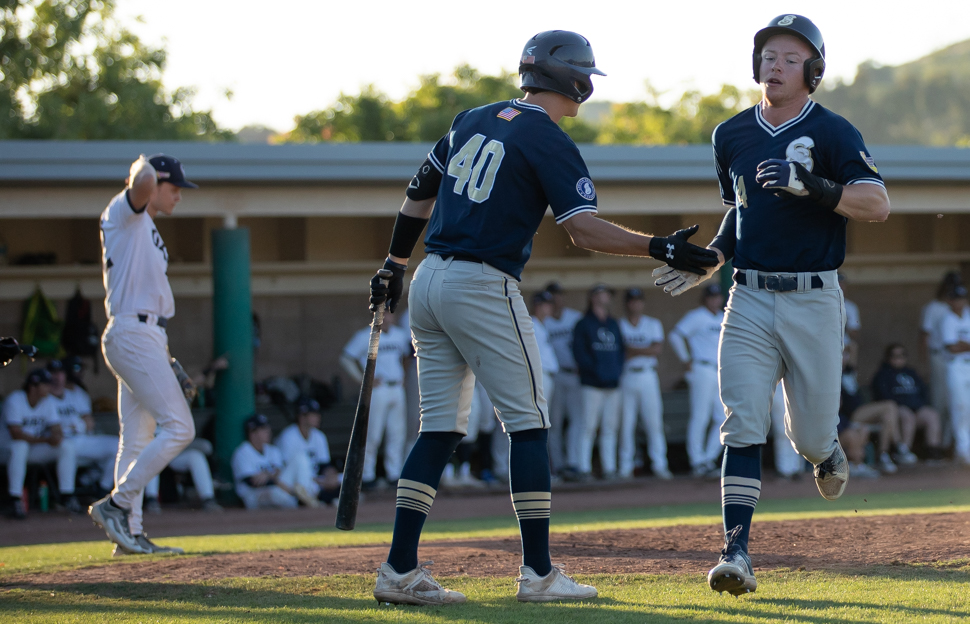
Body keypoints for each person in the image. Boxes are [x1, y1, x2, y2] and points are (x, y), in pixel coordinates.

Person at [366, 29, 719, 606]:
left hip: (429, 278)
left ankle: (399, 569)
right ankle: (538, 574)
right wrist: (660, 246)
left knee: (439, 428)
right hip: (483, 281)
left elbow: (417, 194)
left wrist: (392, 262)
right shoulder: (548, 137)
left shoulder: (471, 117)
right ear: (573, 78)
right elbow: (580, 228)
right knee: (528, 422)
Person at [652, 15, 890, 596]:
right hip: (749, 295)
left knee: (807, 437)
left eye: (789, 57)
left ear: (813, 70)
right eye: (767, 56)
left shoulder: (833, 131)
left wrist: (813, 185)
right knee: (741, 424)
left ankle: (825, 448)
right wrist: (712, 256)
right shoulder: (730, 133)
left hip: (813, 297)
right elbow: (739, 209)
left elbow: (877, 203)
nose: (774, 66)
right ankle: (736, 553)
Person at [87, 154, 200, 556]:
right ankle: (116, 506)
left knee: (135, 441)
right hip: (132, 331)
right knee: (180, 428)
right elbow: (143, 180)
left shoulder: (145, 226)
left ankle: (129, 533)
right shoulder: (126, 211)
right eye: (175, 189)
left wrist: (166, 357)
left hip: (147, 334)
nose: (179, 197)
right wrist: (146, 170)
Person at [340, 309, 411, 489]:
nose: (387, 317)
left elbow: (406, 355)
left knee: (397, 433)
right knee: (373, 434)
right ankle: (367, 476)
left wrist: (403, 375)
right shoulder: (365, 335)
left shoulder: (400, 335)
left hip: (396, 387)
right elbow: (346, 358)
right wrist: (364, 379)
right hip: (378, 389)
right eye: (383, 313)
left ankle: (393, 473)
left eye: (389, 313)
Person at [1, 368, 79, 518]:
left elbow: (56, 427)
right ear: (33, 386)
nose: (49, 388)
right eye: (45, 385)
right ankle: (14, 499)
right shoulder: (15, 400)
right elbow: (16, 433)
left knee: (66, 446)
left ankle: (67, 496)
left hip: (33, 449)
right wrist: (47, 439)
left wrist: (56, 436)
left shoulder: (47, 401)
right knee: (20, 446)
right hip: (6, 450)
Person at [670, 284, 726, 477]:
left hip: (718, 370)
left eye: (717, 296)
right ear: (705, 299)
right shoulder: (696, 316)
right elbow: (675, 335)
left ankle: (708, 459)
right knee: (700, 416)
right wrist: (685, 359)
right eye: (711, 297)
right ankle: (696, 461)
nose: (715, 300)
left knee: (723, 417)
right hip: (700, 368)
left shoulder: (722, 317)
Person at [573, 284, 625, 480]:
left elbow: (621, 351)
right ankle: (583, 468)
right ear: (593, 297)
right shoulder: (583, 324)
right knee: (587, 426)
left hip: (613, 384)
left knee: (610, 428)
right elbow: (580, 354)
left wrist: (615, 374)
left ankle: (609, 468)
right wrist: (597, 373)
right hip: (591, 384)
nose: (606, 298)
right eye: (603, 294)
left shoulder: (613, 323)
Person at [617, 288, 669, 479]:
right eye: (631, 300)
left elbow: (657, 349)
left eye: (638, 300)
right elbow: (621, 351)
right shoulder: (619, 324)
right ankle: (625, 467)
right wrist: (643, 349)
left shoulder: (652, 323)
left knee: (654, 423)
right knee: (626, 424)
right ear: (627, 303)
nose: (635, 304)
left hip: (648, 375)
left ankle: (660, 465)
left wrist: (633, 350)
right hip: (627, 376)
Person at [47, 359, 117, 498]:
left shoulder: (77, 393)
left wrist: (78, 425)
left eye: (60, 373)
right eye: (53, 373)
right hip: (59, 444)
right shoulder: (45, 397)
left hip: (81, 440)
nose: (57, 377)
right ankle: (67, 496)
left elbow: (89, 422)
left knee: (118, 445)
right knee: (67, 447)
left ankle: (102, 488)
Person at [872, 344, 944, 464]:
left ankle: (933, 451)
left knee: (932, 415)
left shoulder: (911, 372)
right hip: (898, 410)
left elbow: (923, 392)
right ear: (888, 357)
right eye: (895, 356)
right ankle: (903, 451)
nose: (898, 358)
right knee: (907, 416)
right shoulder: (883, 374)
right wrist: (904, 405)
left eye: (902, 355)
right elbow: (883, 397)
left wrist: (918, 405)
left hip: (915, 408)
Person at [231, 414, 320, 509]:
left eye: (267, 428)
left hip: (279, 487)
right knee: (279, 495)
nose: (268, 432)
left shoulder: (273, 450)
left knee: (301, 458)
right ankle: (303, 500)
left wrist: (268, 475)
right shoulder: (242, 452)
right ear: (252, 433)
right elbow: (252, 482)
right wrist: (275, 478)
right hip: (254, 494)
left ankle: (304, 495)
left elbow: (280, 473)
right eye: (263, 429)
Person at [543, 282, 584, 478]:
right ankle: (558, 465)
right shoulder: (542, 322)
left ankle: (573, 462)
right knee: (555, 423)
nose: (556, 298)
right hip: (554, 376)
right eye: (552, 295)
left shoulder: (575, 317)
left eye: (559, 294)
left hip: (574, 374)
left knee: (577, 421)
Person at [841, 347, 903, 474]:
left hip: (861, 412)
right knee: (890, 405)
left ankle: (883, 455)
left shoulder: (849, 371)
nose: (845, 358)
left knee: (887, 417)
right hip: (851, 414)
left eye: (846, 355)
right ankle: (899, 445)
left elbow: (852, 350)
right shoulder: (831, 374)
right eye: (842, 355)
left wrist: (849, 350)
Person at [275, 398, 341, 505]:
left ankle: (323, 498)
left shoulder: (319, 436)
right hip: (292, 481)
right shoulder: (288, 436)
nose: (318, 417)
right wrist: (319, 481)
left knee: (342, 478)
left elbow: (324, 465)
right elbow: (287, 469)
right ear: (301, 417)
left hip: (315, 481)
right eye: (313, 414)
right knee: (301, 458)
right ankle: (323, 499)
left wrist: (330, 475)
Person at [921, 271, 962, 443]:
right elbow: (924, 336)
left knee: (958, 400)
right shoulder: (933, 307)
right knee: (941, 401)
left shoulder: (962, 311)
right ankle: (938, 444)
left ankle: (952, 442)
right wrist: (925, 363)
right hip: (939, 357)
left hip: (959, 360)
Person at [143, 438, 223, 516]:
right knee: (152, 457)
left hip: (174, 452)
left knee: (196, 456)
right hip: (153, 451)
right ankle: (152, 500)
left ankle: (208, 499)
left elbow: (206, 447)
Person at [941, 285, 970, 466]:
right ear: (950, 301)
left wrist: (963, 344)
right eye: (956, 298)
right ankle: (962, 450)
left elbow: (959, 345)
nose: (959, 301)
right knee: (960, 407)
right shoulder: (947, 319)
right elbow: (951, 346)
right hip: (956, 365)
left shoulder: (968, 315)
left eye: (962, 298)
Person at [769, 383, 803, 479]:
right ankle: (783, 469)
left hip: (794, 383)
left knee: (795, 429)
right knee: (782, 430)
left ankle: (795, 468)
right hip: (776, 383)